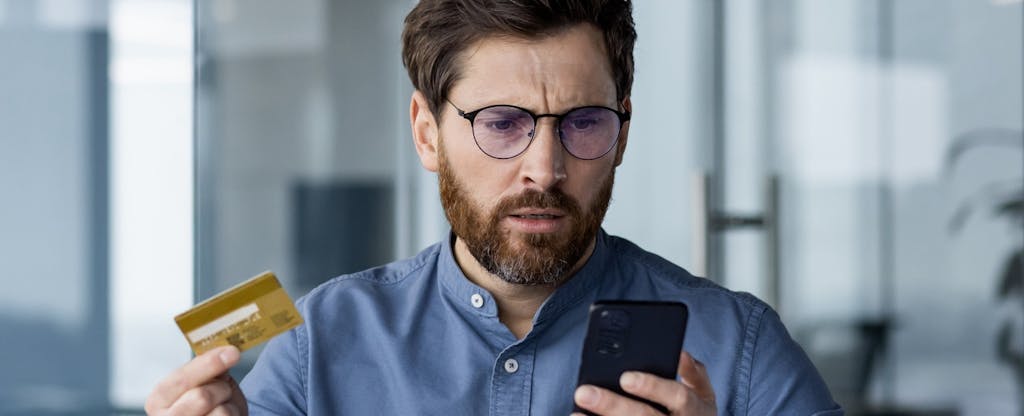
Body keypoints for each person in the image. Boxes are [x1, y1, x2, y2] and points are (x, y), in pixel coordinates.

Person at [145, 0, 843, 415]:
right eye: (503, 122)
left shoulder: (741, 349)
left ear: (623, 132)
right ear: (426, 132)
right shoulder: (317, 352)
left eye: (584, 121)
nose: (545, 167)